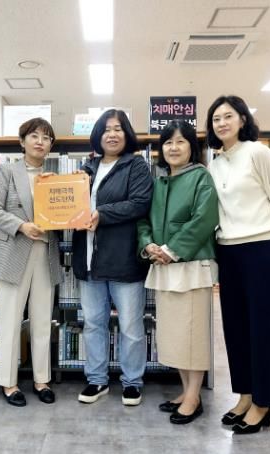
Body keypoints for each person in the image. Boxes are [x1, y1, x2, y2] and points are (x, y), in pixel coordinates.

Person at [207, 95, 270, 434]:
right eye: (216, 119)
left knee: (261, 329)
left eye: (228, 116)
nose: (222, 123)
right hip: (228, 250)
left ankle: (264, 402)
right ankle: (245, 395)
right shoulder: (215, 163)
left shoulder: (260, 153)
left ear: (243, 119)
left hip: (261, 248)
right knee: (235, 328)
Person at [137, 120, 218, 424]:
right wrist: (147, 245)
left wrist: (171, 250)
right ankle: (186, 391)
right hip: (163, 266)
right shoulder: (158, 181)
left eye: (180, 141)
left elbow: (204, 218)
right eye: (168, 142)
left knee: (193, 334)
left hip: (191, 266)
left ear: (192, 147)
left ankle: (194, 397)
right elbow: (143, 220)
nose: (173, 148)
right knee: (175, 334)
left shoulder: (201, 177)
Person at [73, 109, 153, 406]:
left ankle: (132, 382)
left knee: (131, 327)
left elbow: (140, 203)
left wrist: (102, 214)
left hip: (123, 260)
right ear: (98, 135)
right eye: (107, 129)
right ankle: (97, 380)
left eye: (118, 128)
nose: (112, 134)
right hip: (89, 260)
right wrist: (50, 185)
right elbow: (66, 203)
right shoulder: (87, 168)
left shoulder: (136, 165)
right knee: (93, 323)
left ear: (127, 133)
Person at [0, 118, 62, 407]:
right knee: (10, 321)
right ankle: (9, 383)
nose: (40, 142)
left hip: (46, 254)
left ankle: (42, 380)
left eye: (46, 137)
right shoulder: (7, 171)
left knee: (42, 321)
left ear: (51, 145)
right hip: (13, 252)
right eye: (34, 136)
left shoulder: (55, 178)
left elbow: (65, 214)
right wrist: (21, 225)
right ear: (22, 141)